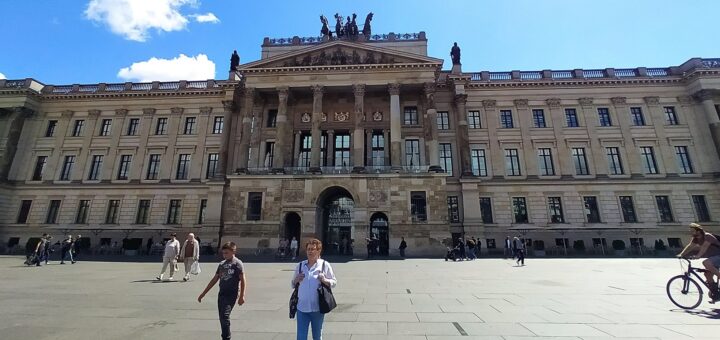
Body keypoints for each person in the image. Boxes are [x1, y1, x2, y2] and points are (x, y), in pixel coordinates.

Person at [198, 242, 246, 340]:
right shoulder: (222, 264)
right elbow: (215, 279)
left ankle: (226, 337)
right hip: (222, 294)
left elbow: (243, 280)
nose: (224, 255)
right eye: (223, 253)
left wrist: (242, 296)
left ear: (233, 252)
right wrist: (203, 293)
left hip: (232, 294)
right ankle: (225, 336)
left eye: (226, 253)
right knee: (222, 317)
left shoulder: (237, 264)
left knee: (225, 315)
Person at [291, 238, 337, 340]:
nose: (310, 251)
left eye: (313, 249)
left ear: (318, 251)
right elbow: (292, 284)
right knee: (301, 337)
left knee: (317, 336)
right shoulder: (300, 266)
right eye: (308, 249)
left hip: (317, 308)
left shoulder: (324, 265)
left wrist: (325, 280)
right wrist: (296, 280)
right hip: (302, 308)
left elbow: (334, 282)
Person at [678, 223, 720, 300]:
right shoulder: (696, 238)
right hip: (714, 258)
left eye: (692, 231)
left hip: (718, 256)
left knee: (705, 262)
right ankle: (716, 295)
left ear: (698, 231)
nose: (691, 232)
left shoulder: (707, 236)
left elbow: (704, 247)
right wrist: (681, 254)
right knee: (707, 275)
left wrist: (698, 256)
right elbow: (690, 246)